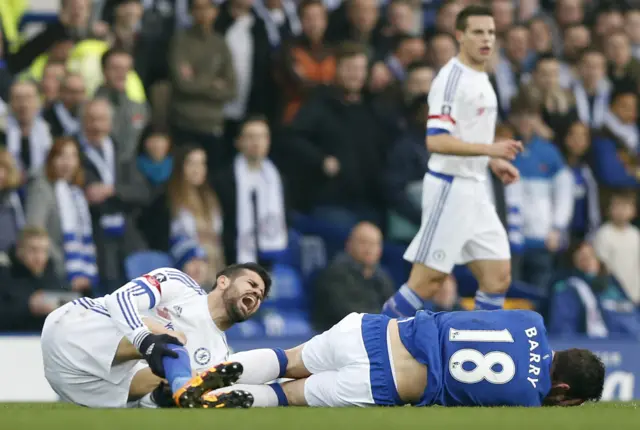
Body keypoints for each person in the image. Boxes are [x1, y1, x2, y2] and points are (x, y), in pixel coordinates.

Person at [382, 5, 523, 318]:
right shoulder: (451, 79)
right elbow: (436, 140)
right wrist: (490, 150)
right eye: (477, 32)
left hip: (476, 189)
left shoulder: (483, 76)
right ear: (460, 36)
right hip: (450, 190)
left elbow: (465, 134)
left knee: (497, 278)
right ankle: (373, 343)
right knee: (427, 282)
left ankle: (482, 348)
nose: (486, 38)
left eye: (490, 32)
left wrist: (490, 162)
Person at [203, 309, 605, 408]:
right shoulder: (527, 399)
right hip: (386, 384)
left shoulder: (531, 319)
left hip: (375, 332)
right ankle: (209, 402)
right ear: (564, 389)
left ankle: (198, 376)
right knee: (289, 395)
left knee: (289, 359)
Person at [40, 263, 271, 409]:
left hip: (82, 387)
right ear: (223, 281)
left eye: (260, 296)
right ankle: (169, 354)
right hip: (72, 330)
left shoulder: (219, 355)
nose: (256, 294)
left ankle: (181, 385)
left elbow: (143, 404)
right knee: (170, 341)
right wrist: (146, 339)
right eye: (251, 284)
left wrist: (162, 398)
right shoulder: (180, 285)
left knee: (185, 378)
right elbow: (118, 299)